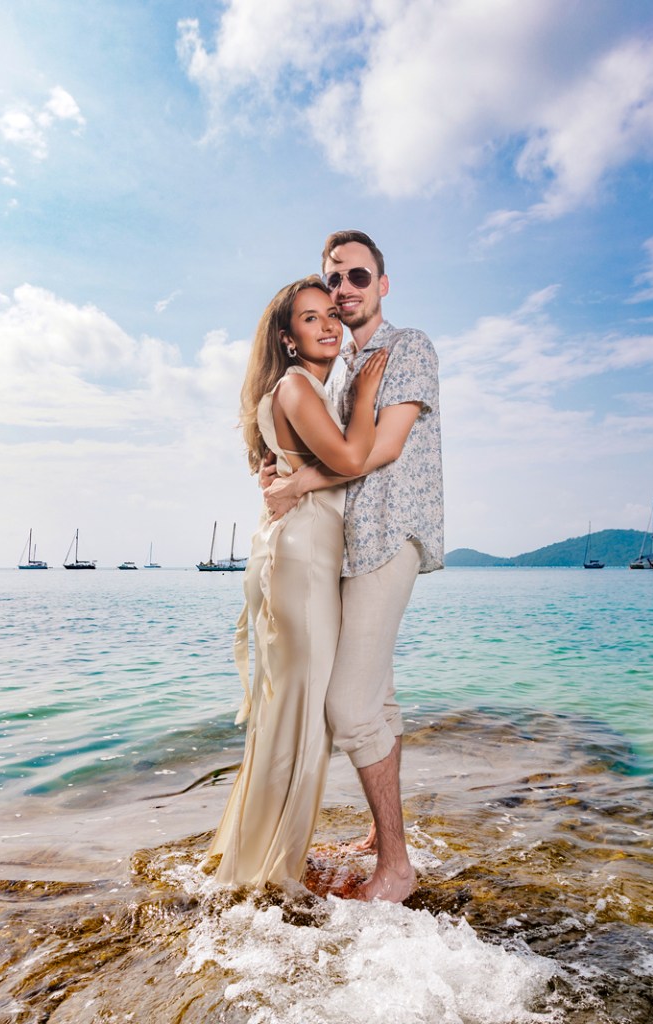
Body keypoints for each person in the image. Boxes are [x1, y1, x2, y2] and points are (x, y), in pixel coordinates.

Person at [262, 230, 444, 902]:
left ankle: (396, 868)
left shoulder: (408, 347)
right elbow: (336, 453)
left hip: (389, 536)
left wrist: (296, 484)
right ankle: (380, 835)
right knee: (380, 698)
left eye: (357, 277)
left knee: (348, 706)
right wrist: (285, 470)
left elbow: (381, 449)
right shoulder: (343, 373)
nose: (343, 291)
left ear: (382, 285)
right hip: (349, 544)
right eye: (333, 278)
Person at [207, 275, 389, 889]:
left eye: (330, 315)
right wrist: (365, 396)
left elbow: (318, 465)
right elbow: (351, 459)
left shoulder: (299, 387)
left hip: (301, 554)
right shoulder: (295, 386)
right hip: (306, 559)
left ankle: (257, 851)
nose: (328, 326)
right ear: (288, 339)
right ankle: (270, 867)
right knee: (302, 717)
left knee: (289, 712)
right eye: (311, 319)